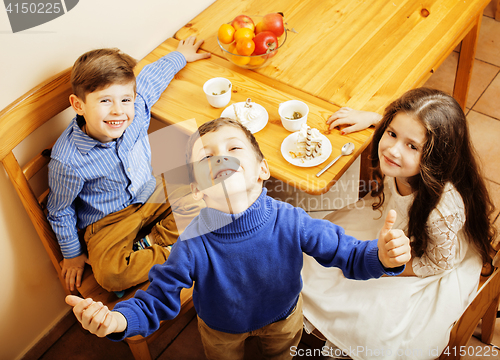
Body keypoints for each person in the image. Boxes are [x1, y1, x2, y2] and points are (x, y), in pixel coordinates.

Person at [65, 117, 411, 360]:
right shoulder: (191, 244)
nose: (220, 157)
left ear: (263, 169)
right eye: (206, 156)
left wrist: (380, 257)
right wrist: (117, 320)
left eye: (233, 147)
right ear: (197, 189)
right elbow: (155, 301)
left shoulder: (289, 220)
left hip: (285, 318)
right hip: (220, 330)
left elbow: (345, 253)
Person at [301, 88, 497, 359]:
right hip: (390, 221)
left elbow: (438, 263)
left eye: (412, 146)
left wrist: (383, 263)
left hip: (426, 256)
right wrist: (373, 119)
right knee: (312, 261)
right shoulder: (404, 156)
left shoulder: (442, 210)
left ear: (435, 159)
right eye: (391, 133)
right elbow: (404, 128)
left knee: (365, 317)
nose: (392, 150)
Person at [46, 37, 210, 293]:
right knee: (110, 275)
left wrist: (180, 56)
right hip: (109, 222)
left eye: (125, 99)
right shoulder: (67, 160)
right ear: (79, 105)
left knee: (209, 197)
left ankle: (149, 244)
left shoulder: (136, 110)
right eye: (104, 101)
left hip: (151, 192)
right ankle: (180, 255)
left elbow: (151, 79)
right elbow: (60, 210)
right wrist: (72, 254)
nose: (118, 111)